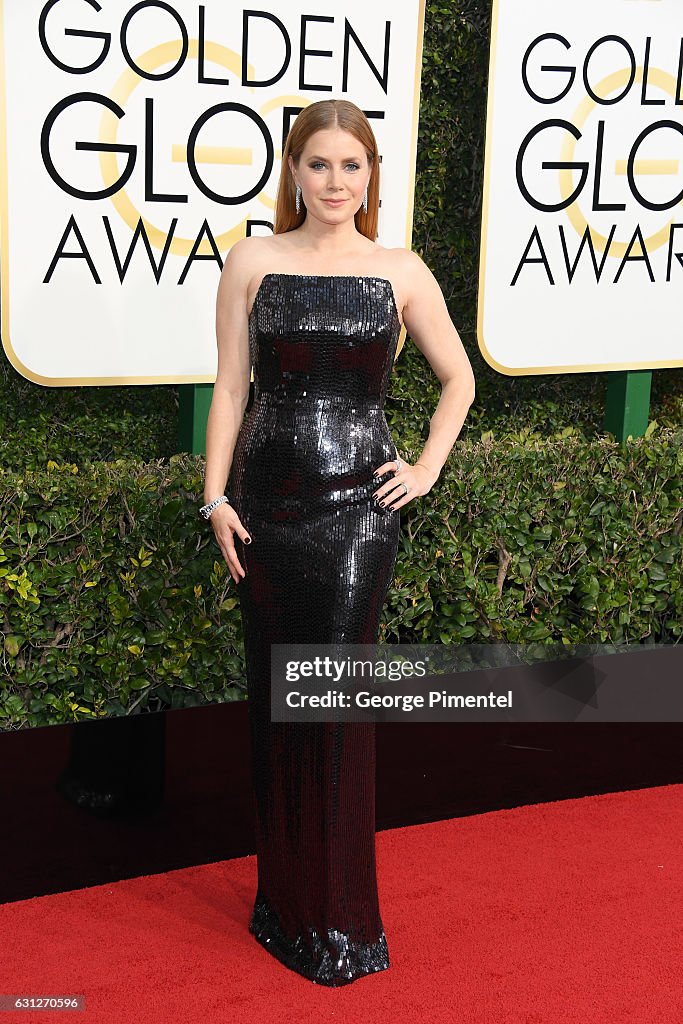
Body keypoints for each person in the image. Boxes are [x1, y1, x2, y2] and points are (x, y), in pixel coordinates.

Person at [200, 99, 475, 986]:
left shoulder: (398, 270)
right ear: (294, 170)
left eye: (349, 166)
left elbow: (458, 379)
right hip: (265, 508)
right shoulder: (251, 260)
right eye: (317, 164)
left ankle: (341, 924)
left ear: (370, 175)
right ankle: (282, 905)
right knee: (278, 703)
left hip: (358, 511)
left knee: (334, 705)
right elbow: (232, 390)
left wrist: (424, 469)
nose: (333, 182)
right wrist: (214, 499)